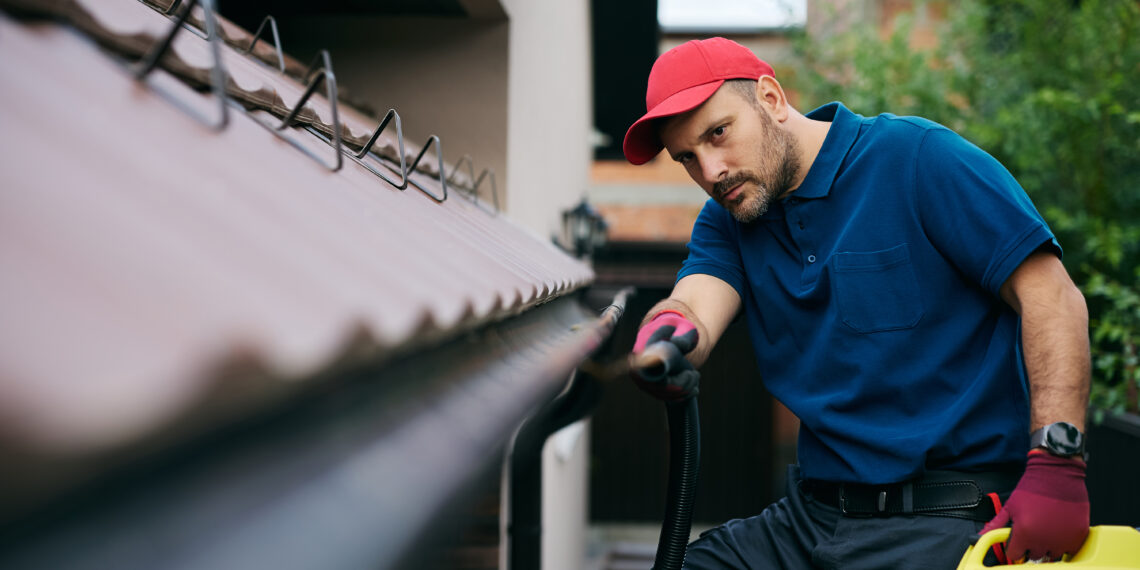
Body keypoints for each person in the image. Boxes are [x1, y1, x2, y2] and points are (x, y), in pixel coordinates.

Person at [623, 37, 1091, 569]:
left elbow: (1051, 295)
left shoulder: (915, 158)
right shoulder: (730, 219)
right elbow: (695, 307)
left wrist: (1057, 462)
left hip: (948, 516)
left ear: (771, 99)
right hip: (812, 520)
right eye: (688, 157)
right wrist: (665, 331)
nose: (710, 171)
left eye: (718, 133)